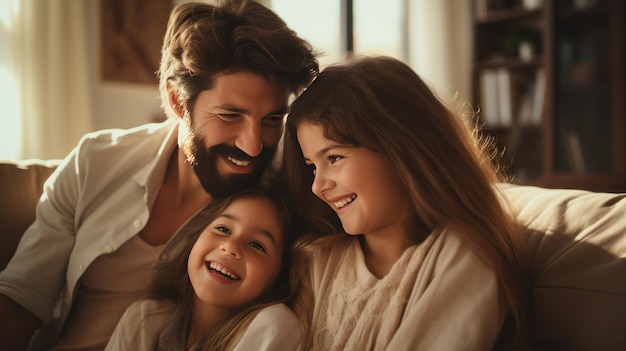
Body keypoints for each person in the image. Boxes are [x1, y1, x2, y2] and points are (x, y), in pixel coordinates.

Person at [0, 1, 318, 349]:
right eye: (230, 115)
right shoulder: (95, 163)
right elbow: (23, 297)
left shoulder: (286, 196)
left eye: (272, 119)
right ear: (177, 101)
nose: (254, 145)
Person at [281, 56, 530, 350]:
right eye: (312, 166)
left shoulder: (463, 255)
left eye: (334, 158)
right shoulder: (318, 259)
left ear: (401, 148)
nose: (318, 186)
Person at [105, 187, 300, 350]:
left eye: (257, 245)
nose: (231, 247)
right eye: (223, 229)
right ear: (196, 237)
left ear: (278, 277)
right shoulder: (143, 318)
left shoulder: (272, 325)